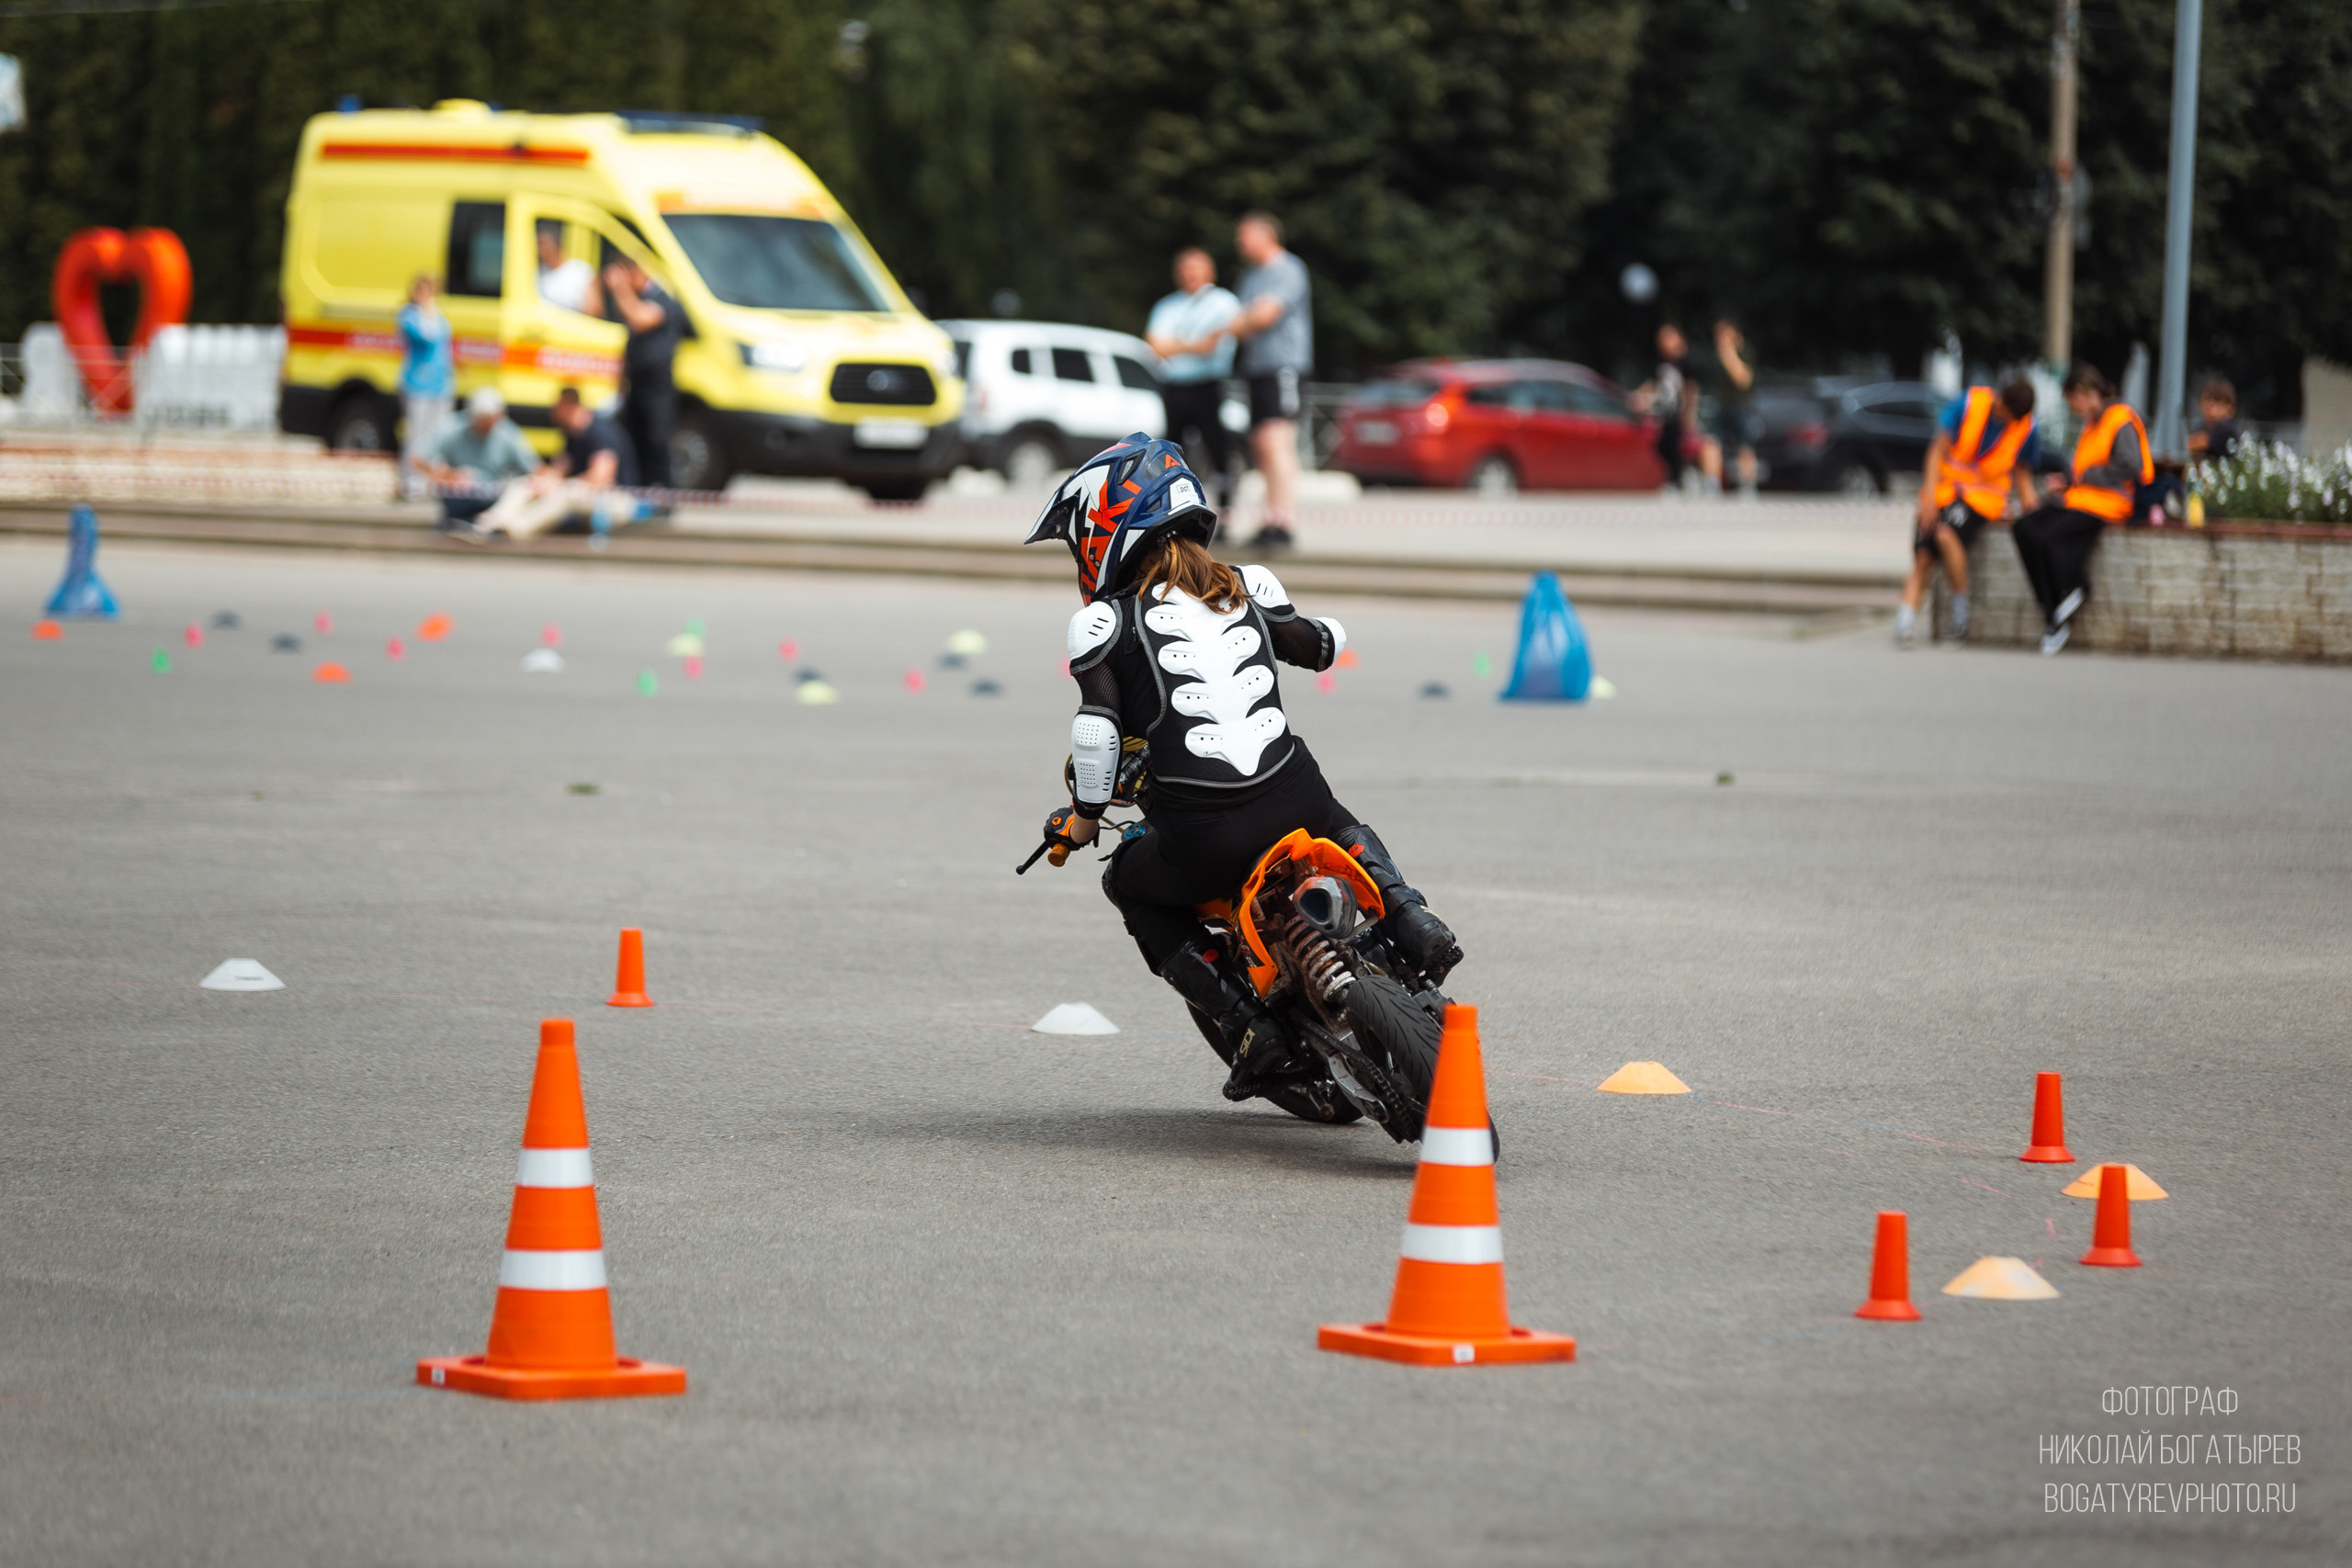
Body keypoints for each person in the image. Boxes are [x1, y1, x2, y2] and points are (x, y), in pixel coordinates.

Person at [1024, 435, 1462, 1103]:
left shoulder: (1103, 623)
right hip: (1299, 798)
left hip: (1205, 836)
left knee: (1131, 886)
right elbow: (1320, 646)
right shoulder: (1248, 585)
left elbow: (1097, 733)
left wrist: (1082, 825)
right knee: (1342, 822)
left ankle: (1252, 1028)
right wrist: (1314, 631)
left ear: (1105, 529)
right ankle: (1409, 916)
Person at [2010, 363, 2152, 655]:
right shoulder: (2093, 423)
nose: (2072, 408)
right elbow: (2083, 469)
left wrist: (2087, 477)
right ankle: (2054, 612)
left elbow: (2131, 466)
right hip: (2079, 498)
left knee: (2048, 538)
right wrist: (2066, 482)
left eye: (2070, 401)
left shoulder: (2120, 419)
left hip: (2108, 504)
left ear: (2082, 393)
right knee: (2024, 528)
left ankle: (2073, 588)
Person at [1895, 378, 2040, 646]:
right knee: (1923, 555)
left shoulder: (2026, 427)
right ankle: (1905, 621)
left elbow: (2023, 473)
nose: (2007, 420)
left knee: (1945, 533)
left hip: (1981, 499)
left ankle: (1961, 613)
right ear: (2001, 400)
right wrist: (1927, 499)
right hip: (1943, 491)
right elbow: (1936, 451)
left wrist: (2030, 504)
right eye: (2006, 413)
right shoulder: (1970, 403)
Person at [1227, 212, 1312, 549]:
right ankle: (1270, 519)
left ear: (1266, 235)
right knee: (1262, 444)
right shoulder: (1250, 277)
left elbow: (1263, 315)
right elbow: (1240, 317)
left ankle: (1283, 523)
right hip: (1257, 369)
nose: (1239, 242)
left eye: (1244, 235)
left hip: (1284, 367)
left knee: (1277, 441)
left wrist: (1233, 325)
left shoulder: (1288, 269)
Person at [458, 386, 639, 544]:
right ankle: (486, 525)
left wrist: (558, 484)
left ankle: (511, 530)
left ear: (568, 405)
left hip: (618, 502)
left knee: (567, 492)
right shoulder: (573, 435)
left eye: (556, 407)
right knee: (526, 483)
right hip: (586, 497)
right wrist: (540, 483)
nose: (552, 412)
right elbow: (559, 470)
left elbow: (601, 478)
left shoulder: (600, 432)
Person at [1145, 246, 1243, 513]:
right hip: (1174, 386)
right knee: (1172, 451)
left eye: (1195, 268)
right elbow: (1155, 345)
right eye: (1185, 269)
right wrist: (1194, 344)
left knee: (1216, 448)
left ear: (1209, 271)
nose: (1190, 275)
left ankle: (1225, 511)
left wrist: (1176, 345)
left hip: (1207, 385)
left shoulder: (1223, 302)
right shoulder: (1167, 305)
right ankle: (1175, 508)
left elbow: (1213, 346)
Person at [603, 256, 682, 490]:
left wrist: (620, 288)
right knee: (636, 441)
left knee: (658, 440)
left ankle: (667, 494)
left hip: (657, 386)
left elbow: (639, 319)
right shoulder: (638, 299)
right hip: (635, 383)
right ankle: (642, 492)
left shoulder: (661, 297)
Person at [420, 388, 541, 533]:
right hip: (457, 497)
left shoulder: (508, 433)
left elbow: (533, 468)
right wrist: (448, 475)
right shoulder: (453, 426)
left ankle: (488, 524)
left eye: (490, 419)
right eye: (482, 419)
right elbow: (418, 458)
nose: (486, 424)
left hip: (492, 499)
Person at [396, 275, 454, 501]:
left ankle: (432, 481)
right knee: (416, 434)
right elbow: (426, 337)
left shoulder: (438, 315)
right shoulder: (409, 316)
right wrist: (426, 311)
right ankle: (410, 481)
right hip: (417, 383)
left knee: (437, 435)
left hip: (440, 384)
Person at [1633, 323, 1695, 490]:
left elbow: (1690, 389)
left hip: (1679, 411)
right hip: (1664, 413)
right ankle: (1672, 479)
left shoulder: (1685, 363)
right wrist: (1639, 398)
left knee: (1679, 447)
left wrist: (1688, 414)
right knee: (1663, 445)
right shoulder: (1659, 363)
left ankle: (1682, 479)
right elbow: (1652, 385)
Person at [1701, 318, 1758, 495]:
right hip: (1721, 404)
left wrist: (1729, 354)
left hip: (1742, 404)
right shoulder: (1715, 354)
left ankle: (1747, 485)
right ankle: (1712, 484)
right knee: (1711, 443)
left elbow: (1742, 380)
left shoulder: (1745, 350)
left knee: (1745, 446)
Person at [536, 220, 601, 317]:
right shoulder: (537, 272)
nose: (537, 249)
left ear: (554, 243)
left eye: (541, 243)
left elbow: (593, 313)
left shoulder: (581, 272)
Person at [2187, 376, 2243, 462]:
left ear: (2230, 406)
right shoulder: (2201, 428)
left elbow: (2201, 442)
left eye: (2217, 400)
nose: (2210, 406)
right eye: (2207, 399)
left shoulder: (2228, 430)